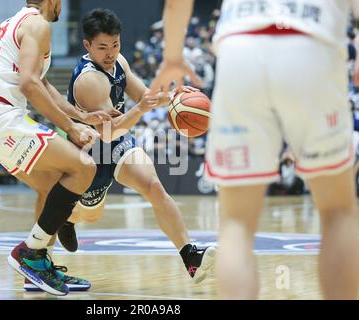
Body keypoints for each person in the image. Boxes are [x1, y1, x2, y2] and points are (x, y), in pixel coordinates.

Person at [151, 0, 359, 300]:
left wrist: (172, 57)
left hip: (241, 44)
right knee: (337, 212)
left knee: (236, 223)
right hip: (311, 40)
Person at [22, 8, 216, 292]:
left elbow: (144, 96)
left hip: (119, 143)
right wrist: (140, 109)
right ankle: (67, 218)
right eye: (102, 47)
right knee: (88, 214)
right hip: (91, 153)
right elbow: (110, 130)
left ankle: (191, 257)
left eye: (115, 45)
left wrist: (174, 98)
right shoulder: (89, 80)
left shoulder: (119, 62)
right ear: (88, 46)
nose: (110, 52)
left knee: (153, 187)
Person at [0, 0, 115, 296]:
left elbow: (43, 85)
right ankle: (30, 253)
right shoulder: (38, 23)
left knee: (52, 188)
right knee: (83, 167)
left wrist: (80, 116)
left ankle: (38, 269)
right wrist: (70, 129)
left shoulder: (17, 22)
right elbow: (28, 85)